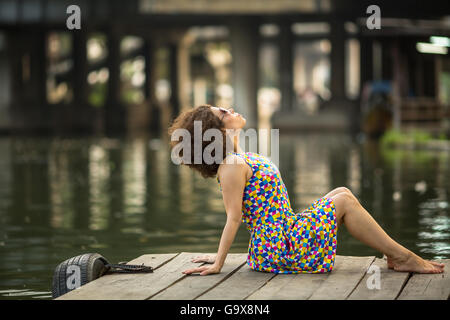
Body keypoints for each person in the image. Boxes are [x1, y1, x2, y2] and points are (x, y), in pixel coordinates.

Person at [167, 105, 445, 276]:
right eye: (222, 113)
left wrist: (217, 257)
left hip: (283, 235)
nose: (230, 109)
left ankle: (394, 256)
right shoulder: (230, 165)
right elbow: (234, 217)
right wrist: (218, 263)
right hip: (280, 247)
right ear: (217, 131)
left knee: (342, 191)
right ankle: (402, 257)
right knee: (345, 202)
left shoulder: (240, 157)